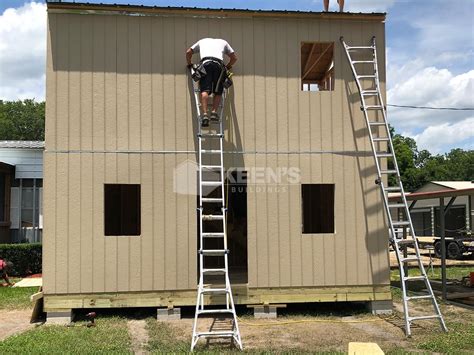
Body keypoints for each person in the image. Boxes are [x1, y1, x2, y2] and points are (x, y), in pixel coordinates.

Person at [186, 38, 237, 127]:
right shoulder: (224, 42)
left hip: (206, 64)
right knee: (218, 90)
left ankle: (205, 115)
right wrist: (228, 66)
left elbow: (188, 52)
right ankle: (213, 112)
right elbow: (234, 58)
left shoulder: (202, 41)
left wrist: (190, 63)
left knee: (204, 91)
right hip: (218, 66)